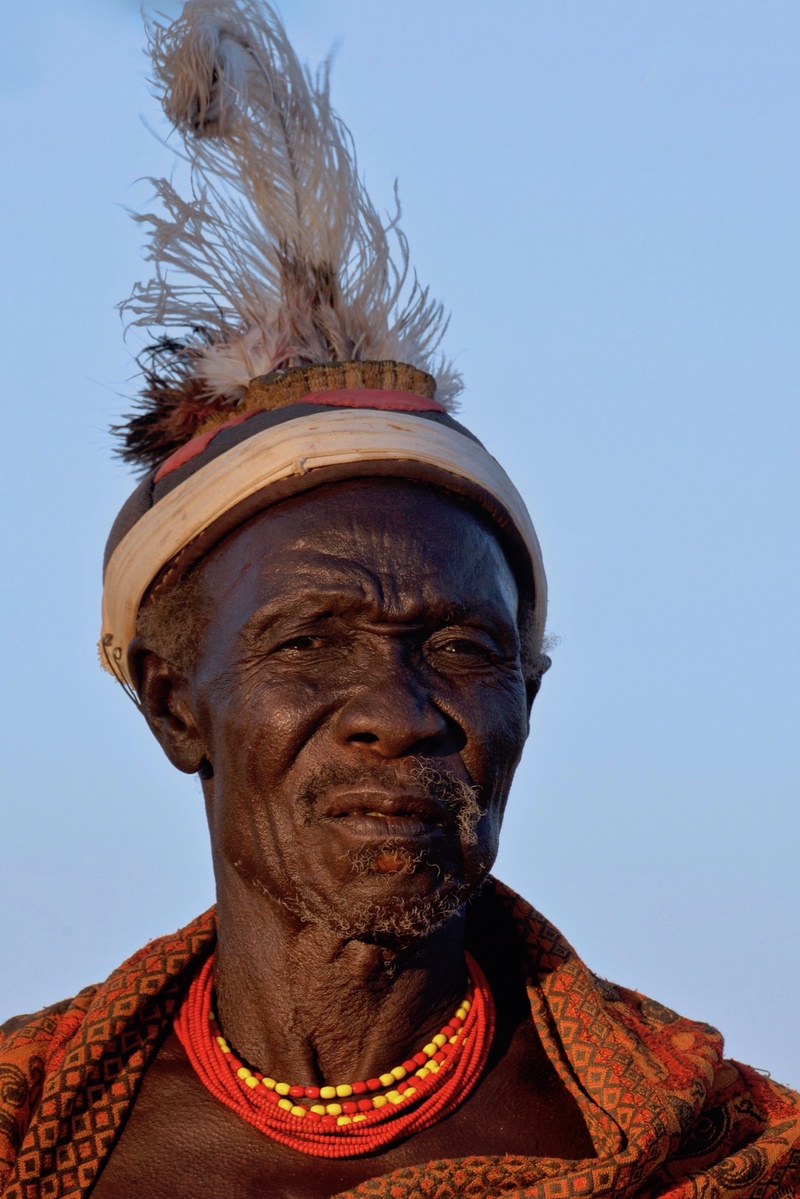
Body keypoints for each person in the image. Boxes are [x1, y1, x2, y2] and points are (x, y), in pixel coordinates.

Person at [1, 3, 798, 1197]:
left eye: (462, 644)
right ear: (175, 706)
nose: (399, 710)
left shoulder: (716, 1151)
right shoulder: (30, 1135)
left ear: (526, 695)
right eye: (309, 641)